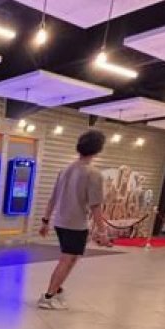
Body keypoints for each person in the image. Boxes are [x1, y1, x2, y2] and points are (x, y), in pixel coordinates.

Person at [38, 129, 108, 309]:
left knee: (71, 258)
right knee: (67, 259)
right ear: (98, 149)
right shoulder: (94, 174)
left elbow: (53, 198)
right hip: (75, 224)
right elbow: (96, 206)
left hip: (60, 222)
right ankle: (48, 296)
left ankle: (57, 289)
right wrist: (102, 232)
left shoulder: (65, 170)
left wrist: (45, 221)